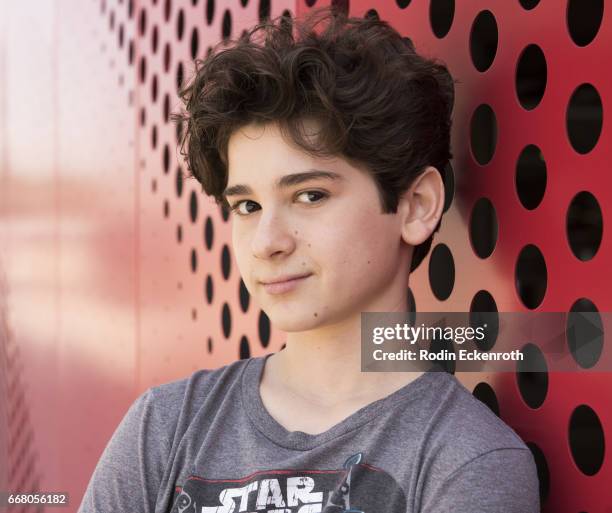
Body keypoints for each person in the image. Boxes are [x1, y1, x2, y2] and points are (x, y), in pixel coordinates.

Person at [78, 6, 540, 513]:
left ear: (416, 206)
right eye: (248, 206)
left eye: (310, 196)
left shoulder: (466, 459)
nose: (267, 242)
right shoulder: (164, 427)